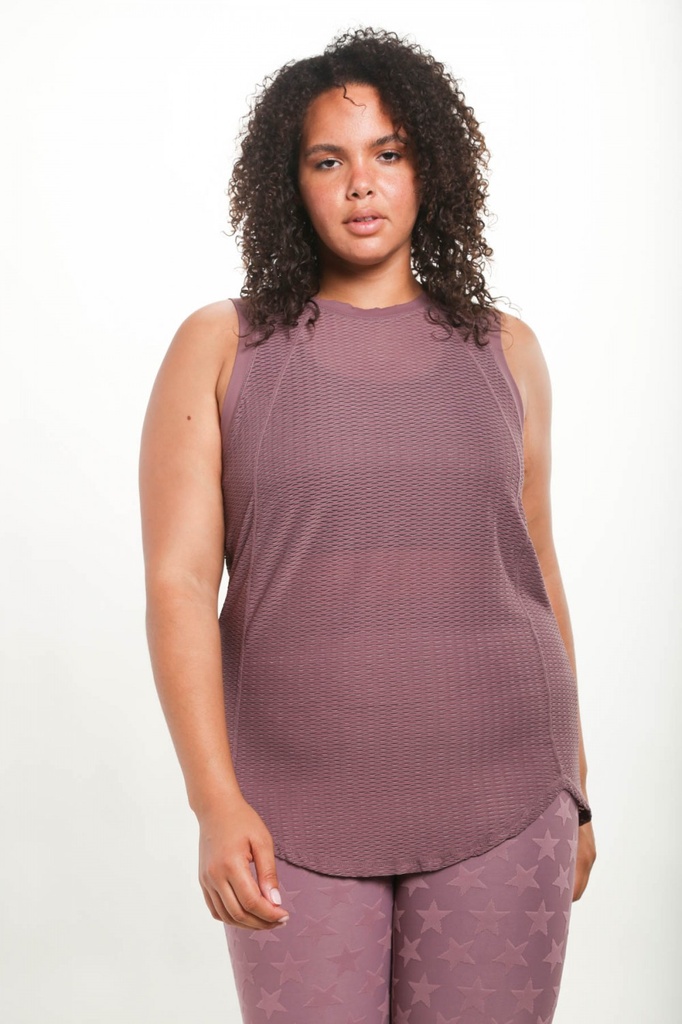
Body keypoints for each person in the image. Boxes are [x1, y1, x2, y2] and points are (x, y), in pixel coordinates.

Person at [139, 26, 596, 1024]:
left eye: (389, 152)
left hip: (509, 785)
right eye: (327, 160)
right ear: (288, 182)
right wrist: (213, 800)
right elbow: (180, 584)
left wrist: (575, 781)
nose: (361, 184)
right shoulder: (221, 345)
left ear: (430, 167)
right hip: (288, 803)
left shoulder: (507, 349)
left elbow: (536, 564)